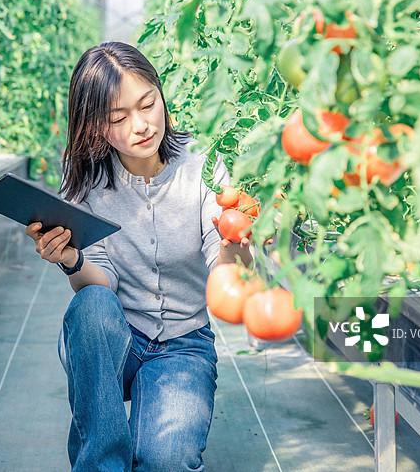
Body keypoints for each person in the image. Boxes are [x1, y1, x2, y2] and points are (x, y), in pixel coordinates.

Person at [25, 41, 253, 472]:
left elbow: (220, 266)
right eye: (118, 118)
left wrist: (236, 240)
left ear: (161, 94)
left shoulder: (203, 164)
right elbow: (101, 280)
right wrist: (72, 259)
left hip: (183, 345)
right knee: (91, 305)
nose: (141, 125)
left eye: (148, 104)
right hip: (116, 338)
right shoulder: (87, 180)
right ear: (95, 127)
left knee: (167, 460)